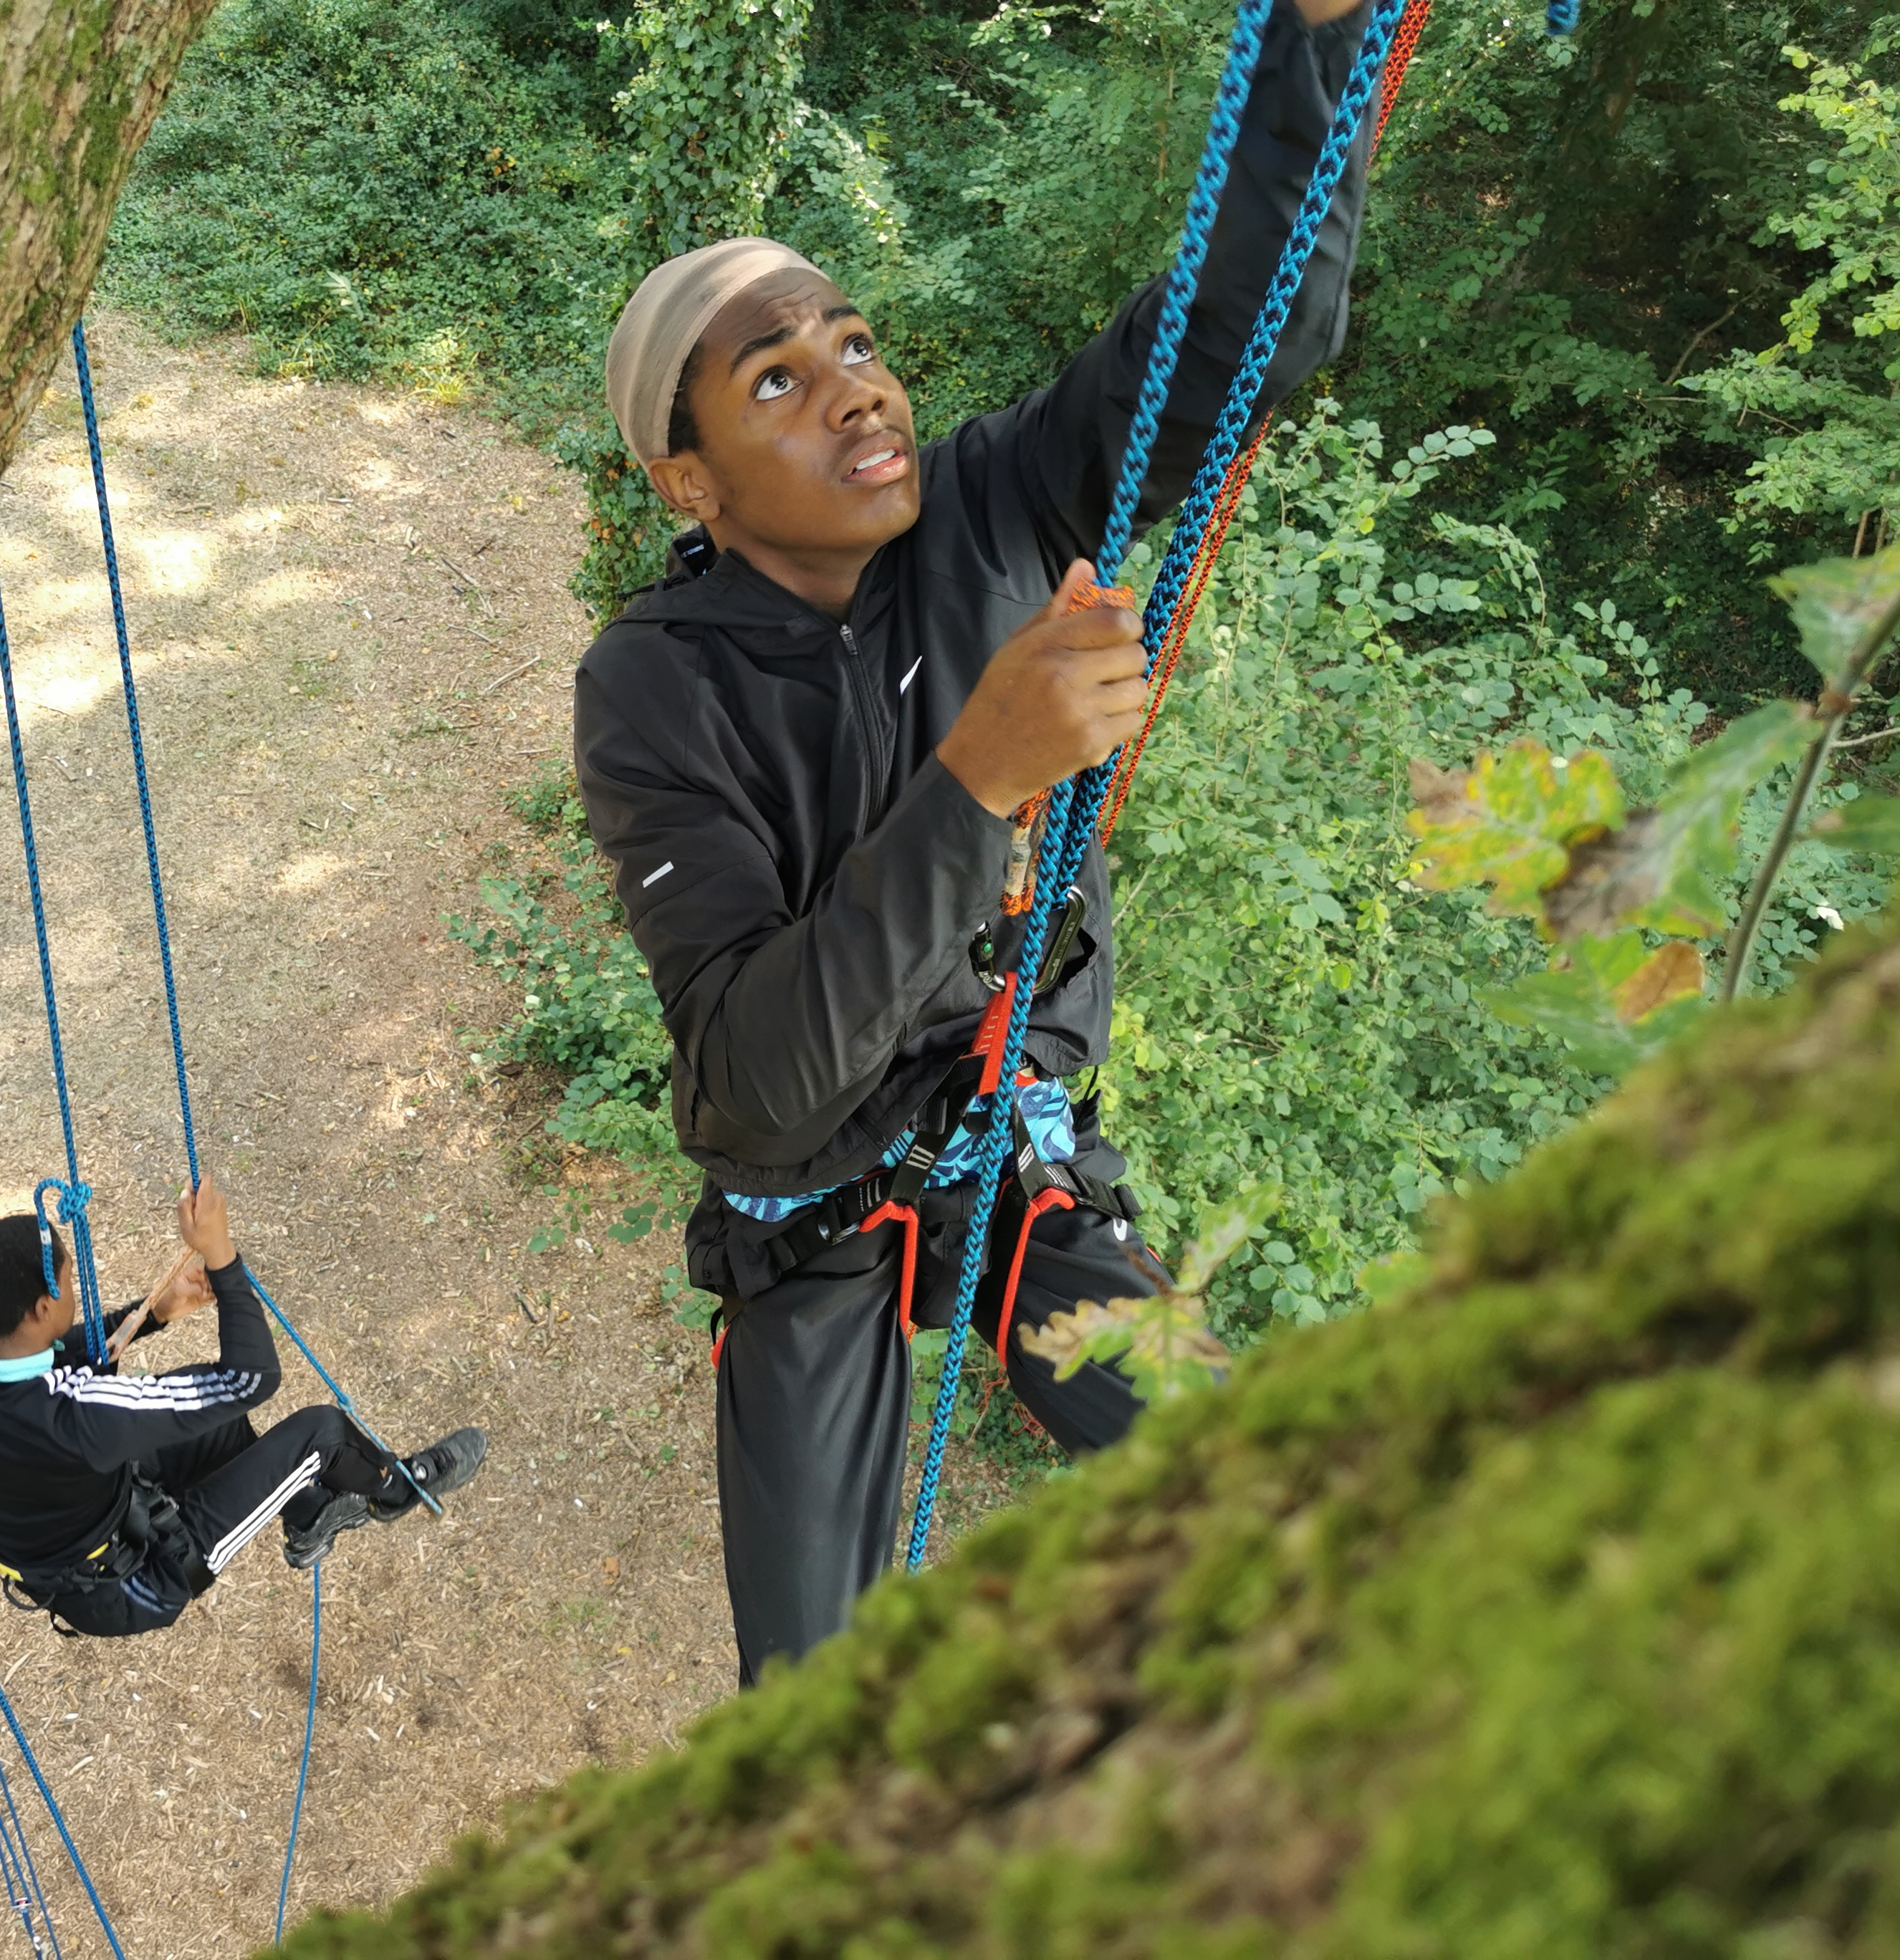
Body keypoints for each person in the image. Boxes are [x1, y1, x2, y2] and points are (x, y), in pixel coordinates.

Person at [574, 0, 1379, 1683]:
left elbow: (1245, 338)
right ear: (689, 482)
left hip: (1011, 1140)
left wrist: (1319, 41)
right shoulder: (655, 687)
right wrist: (980, 776)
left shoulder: (997, 500)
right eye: (775, 381)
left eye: (854, 344)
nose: (855, 394)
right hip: (813, 1207)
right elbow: (748, 1078)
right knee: (812, 1687)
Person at [0, 1181, 486, 1636]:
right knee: (326, 1434)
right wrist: (221, 1256)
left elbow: (46, 1354)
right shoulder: (78, 1419)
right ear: (43, 1306)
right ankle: (397, 1491)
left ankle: (310, 1515)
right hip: (128, 1583)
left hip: (64, 1508)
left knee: (219, 1428)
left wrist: (154, 1312)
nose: (75, 1290)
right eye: (67, 1286)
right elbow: (250, 1379)